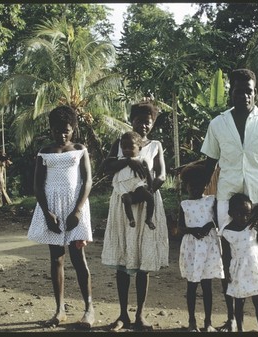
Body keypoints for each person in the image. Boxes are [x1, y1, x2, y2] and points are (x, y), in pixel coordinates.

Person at [201, 68, 258, 332]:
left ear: (255, 92)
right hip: (228, 201)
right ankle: (231, 318)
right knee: (228, 256)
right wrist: (196, 197)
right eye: (239, 91)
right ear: (231, 92)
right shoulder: (218, 124)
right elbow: (209, 165)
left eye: (249, 90)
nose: (244, 95)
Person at [101, 102, 169, 331]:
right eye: (140, 120)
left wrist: (147, 192)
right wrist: (129, 160)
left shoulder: (156, 145)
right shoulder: (121, 143)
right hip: (123, 204)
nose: (144, 125)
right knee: (123, 259)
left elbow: (162, 175)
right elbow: (106, 166)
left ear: (153, 123)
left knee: (142, 261)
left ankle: (139, 314)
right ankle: (122, 315)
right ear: (132, 120)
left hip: (146, 201)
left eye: (148, 121)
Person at [27, 105, 94, 329]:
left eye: (66, 130)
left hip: (75, 206)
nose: (62, 134)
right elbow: (37, 185)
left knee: (78, 256)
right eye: (57, 130)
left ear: (73, 128)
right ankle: (59, 310)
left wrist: (77, 210)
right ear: (51, 129)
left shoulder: (79, 148)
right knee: (56, 258)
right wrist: (47, 214)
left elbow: (87, 181)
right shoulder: (44, 152)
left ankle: (89, 309)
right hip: (52, 208)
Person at [177, 163, 224, 332]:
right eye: (191, 185)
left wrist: (209, 226)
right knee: (192, 286)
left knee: (207, 286)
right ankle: (191, 321)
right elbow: (180, 228)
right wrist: (192, 230)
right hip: (192, 248)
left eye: (199, 185)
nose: (195, 189)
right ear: (186, 186)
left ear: (205, 185)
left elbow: (218, 221)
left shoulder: (211, 200)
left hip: (209, 248)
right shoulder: (184, 205)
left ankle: (208, 322)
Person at [221, 193, 258, 332]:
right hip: (238, 270)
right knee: (239, 301)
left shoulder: (252, 226)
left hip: (254, 267)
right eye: (240, 214)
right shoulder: (227, 232)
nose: (244, 217)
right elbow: (226, 255)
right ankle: (240, 329)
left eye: (248, 214)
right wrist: (226, 272)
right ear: (231, 213)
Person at [114, 131, 155, 229]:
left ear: (139, 148)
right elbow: (108, 165)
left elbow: (149, 175)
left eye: (131, 148)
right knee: (126, 200)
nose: (127, 150)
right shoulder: (120, 159)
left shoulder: (141, 160)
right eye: (124, 148)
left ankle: (148, 219)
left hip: (137, 185)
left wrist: (150, 187)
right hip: (123, 186)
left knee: (150, 198)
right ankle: (131, 219)